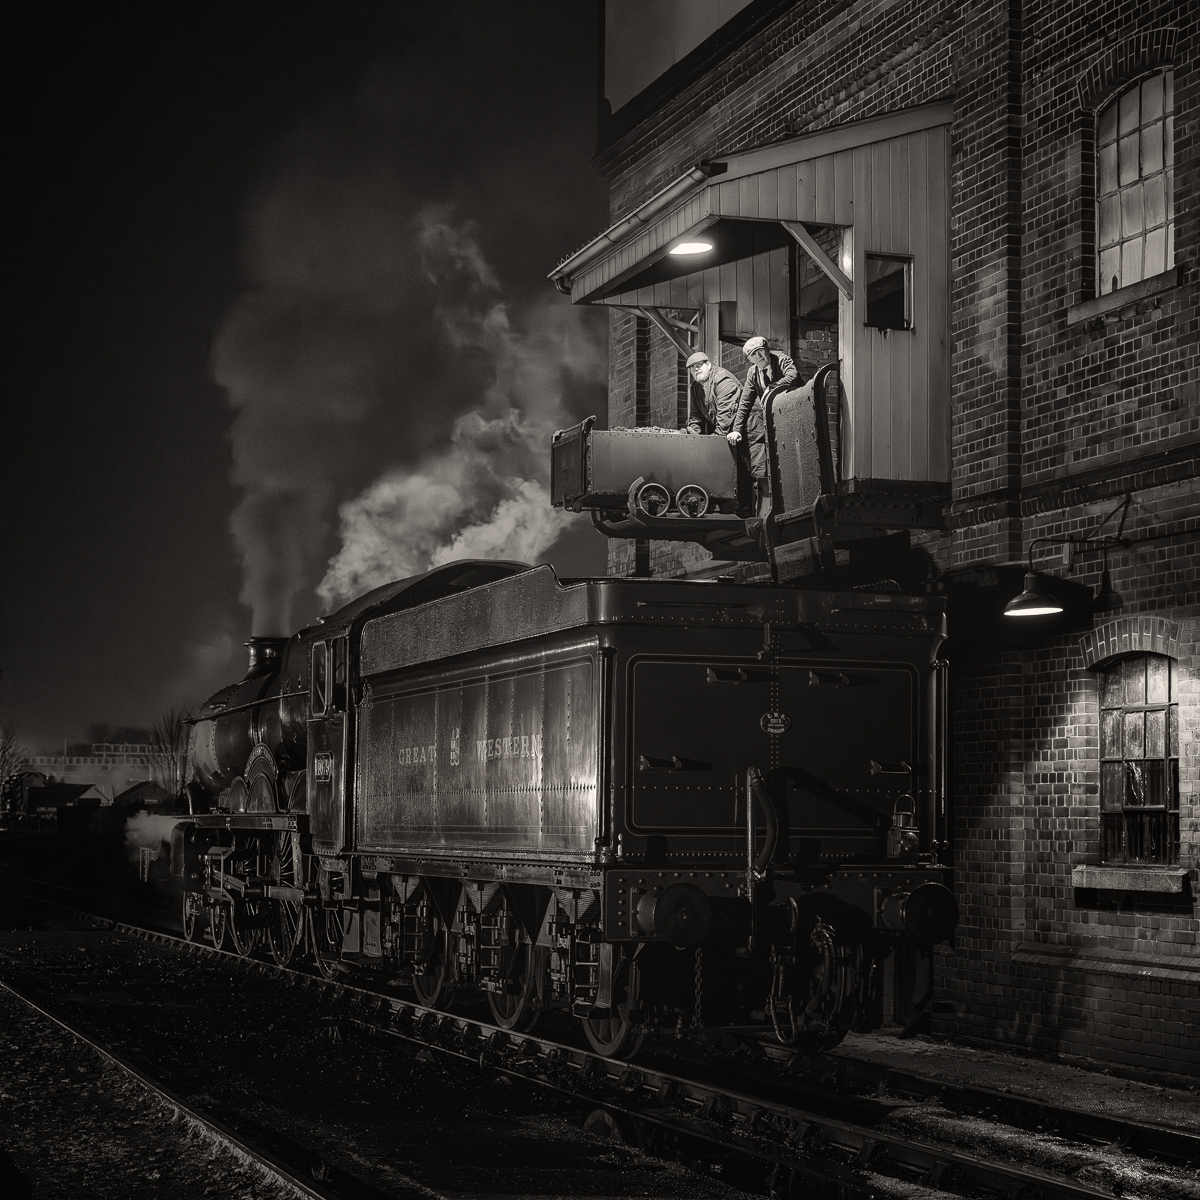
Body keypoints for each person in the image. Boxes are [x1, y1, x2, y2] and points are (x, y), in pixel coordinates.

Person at [685, 351, 757, 515]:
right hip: (729, 434)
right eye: (692, 368)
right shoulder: (695, 387)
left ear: (709, 365)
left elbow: (726, 418)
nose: (696, 370)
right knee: (735, 470)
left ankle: (754, 513)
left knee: (752, 471)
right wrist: (694, 441)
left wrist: (711, 444)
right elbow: (695, 417)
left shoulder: (722, 379)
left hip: (749, 431)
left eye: (699, 365)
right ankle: (737, 510)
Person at [734, 337, 799, 514]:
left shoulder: (782, 360)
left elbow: (792, 375)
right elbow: (745, 402)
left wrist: (772, 387)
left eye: (761, 351)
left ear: (768, 349)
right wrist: (737, 430)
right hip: (772, 424)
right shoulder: (753, 373)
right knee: (764, 467)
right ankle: (768, 509)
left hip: (791, 419)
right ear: (750, 359)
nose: (760, 356)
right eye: (754, 355)